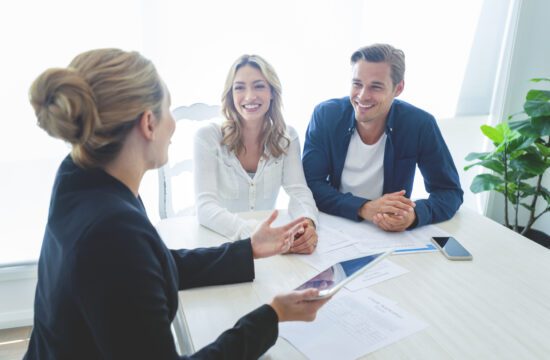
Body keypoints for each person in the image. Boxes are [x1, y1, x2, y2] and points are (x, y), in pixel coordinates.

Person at [24, 48, 330, 359]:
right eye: (168, 110)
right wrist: (271, 315)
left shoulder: (82, 176)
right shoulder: (112, 232)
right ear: (148, 123)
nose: (173, 126)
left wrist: (247, 249)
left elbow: (150, 264)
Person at [302, 43, 463, 232]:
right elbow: (310, 185)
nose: (362, 96)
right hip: (335, 222)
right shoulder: (326, 115)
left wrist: (414, 215)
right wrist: (364, 208)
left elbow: (449, 191)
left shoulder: (419, 124)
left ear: (398, 88)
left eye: (375, 87)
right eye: (357, 84)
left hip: (388, 232)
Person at [194, 54, 319, 253]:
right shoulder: (207, 137)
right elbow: (205, 208)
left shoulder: (287, 137)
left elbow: (298, 191)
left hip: (269, 248)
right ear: (230, 95)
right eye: (240, 87)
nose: (250, 96)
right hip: (220, 243)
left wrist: (307, 224)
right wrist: (257, 234)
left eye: (259, 86)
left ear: (272, 92)